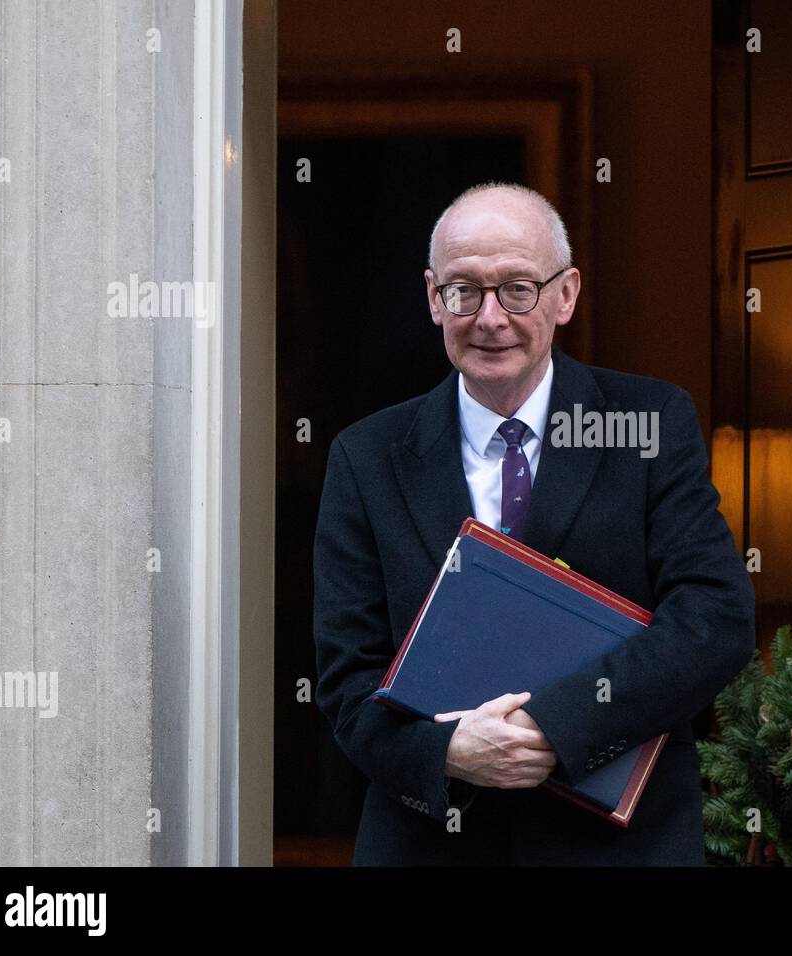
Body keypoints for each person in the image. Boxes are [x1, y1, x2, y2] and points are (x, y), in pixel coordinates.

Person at [312, 181, 755, 865]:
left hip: (617, 849)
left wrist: (556, 727)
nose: (489, 317)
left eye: (518, 288)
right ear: (434, 297)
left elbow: (712, 619)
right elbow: (347, 680)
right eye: (464, 290)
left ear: (565, 294)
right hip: (434, 847)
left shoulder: (649, 423)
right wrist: (449, 752)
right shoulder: (366, 457)